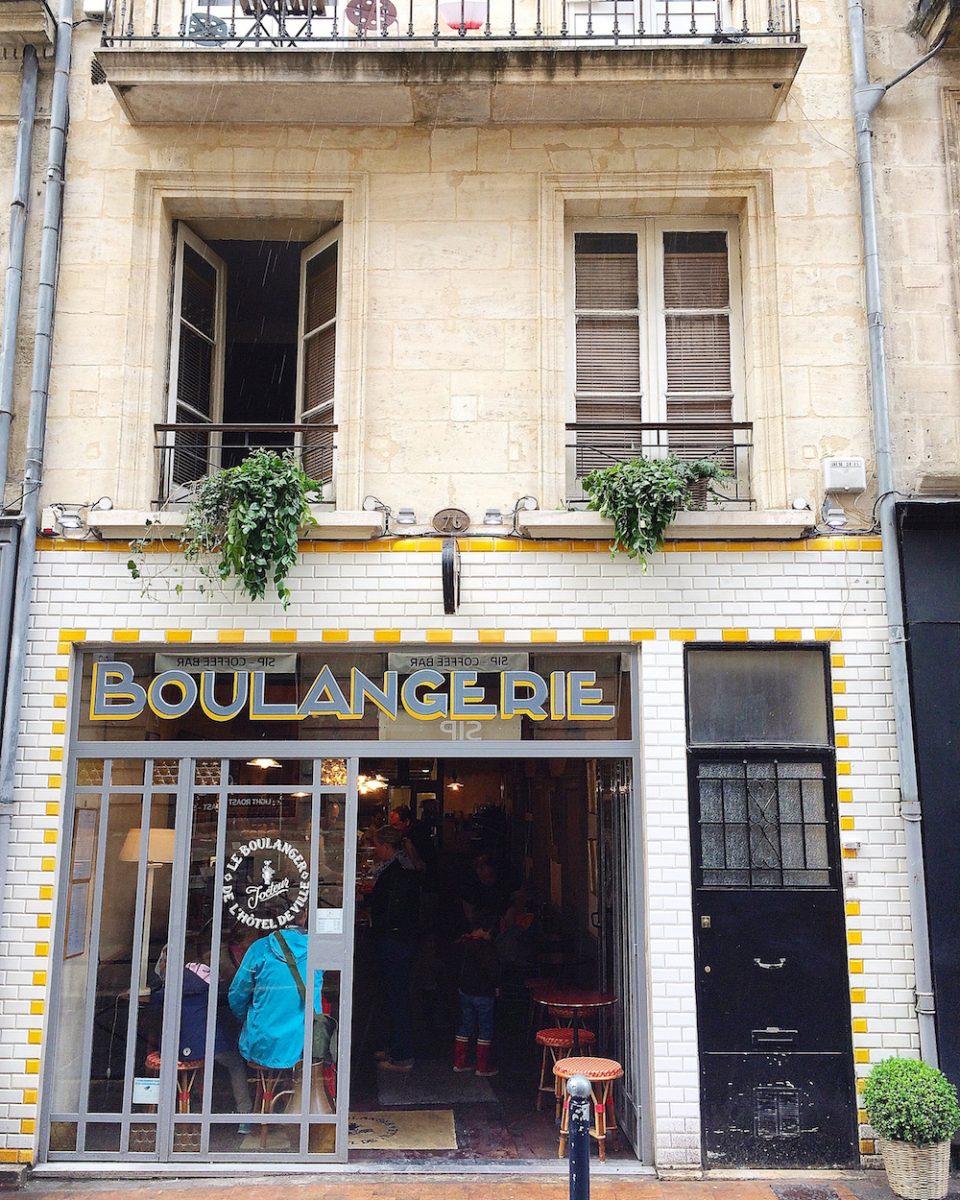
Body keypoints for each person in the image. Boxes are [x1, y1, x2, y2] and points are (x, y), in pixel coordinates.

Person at [151, 935, 253, 1121]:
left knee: (198, 1060)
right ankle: (244, 1114)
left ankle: (186, 1109)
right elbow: (228, 1004)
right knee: (235, 1063)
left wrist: (160, 982)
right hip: (210, 1046)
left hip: (176, 1049)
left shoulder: (168, 987)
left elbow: (154, 1008)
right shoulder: (211, 984)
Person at [228, 910, 323, 1073]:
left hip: (262, 1043)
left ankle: (264, 1097)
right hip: (303, 1044)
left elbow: (237, 995)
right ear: (305, 916)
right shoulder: (318, 950)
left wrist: (252, 1019)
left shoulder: (259, 949)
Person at [366, 825, 422, 1071]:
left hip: (395, 940)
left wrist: (372, 915)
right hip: (401, 939)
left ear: (387, 847)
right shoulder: (401, 870)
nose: (375, 850)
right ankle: (396, 1047)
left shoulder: (395, 874)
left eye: (377, 845)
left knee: (397, 996)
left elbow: (390, 910)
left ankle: (403, 1055)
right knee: (395, 995)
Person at [453, 911, 501, 1078]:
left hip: (464, 991)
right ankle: (482, 1066)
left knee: (465, 1025)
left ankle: (459, 1062)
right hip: (483, 993)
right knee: (485, 1028)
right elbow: (493, 970)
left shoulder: (462, 944)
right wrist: (496, 986)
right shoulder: (485, 947)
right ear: (484, 929)